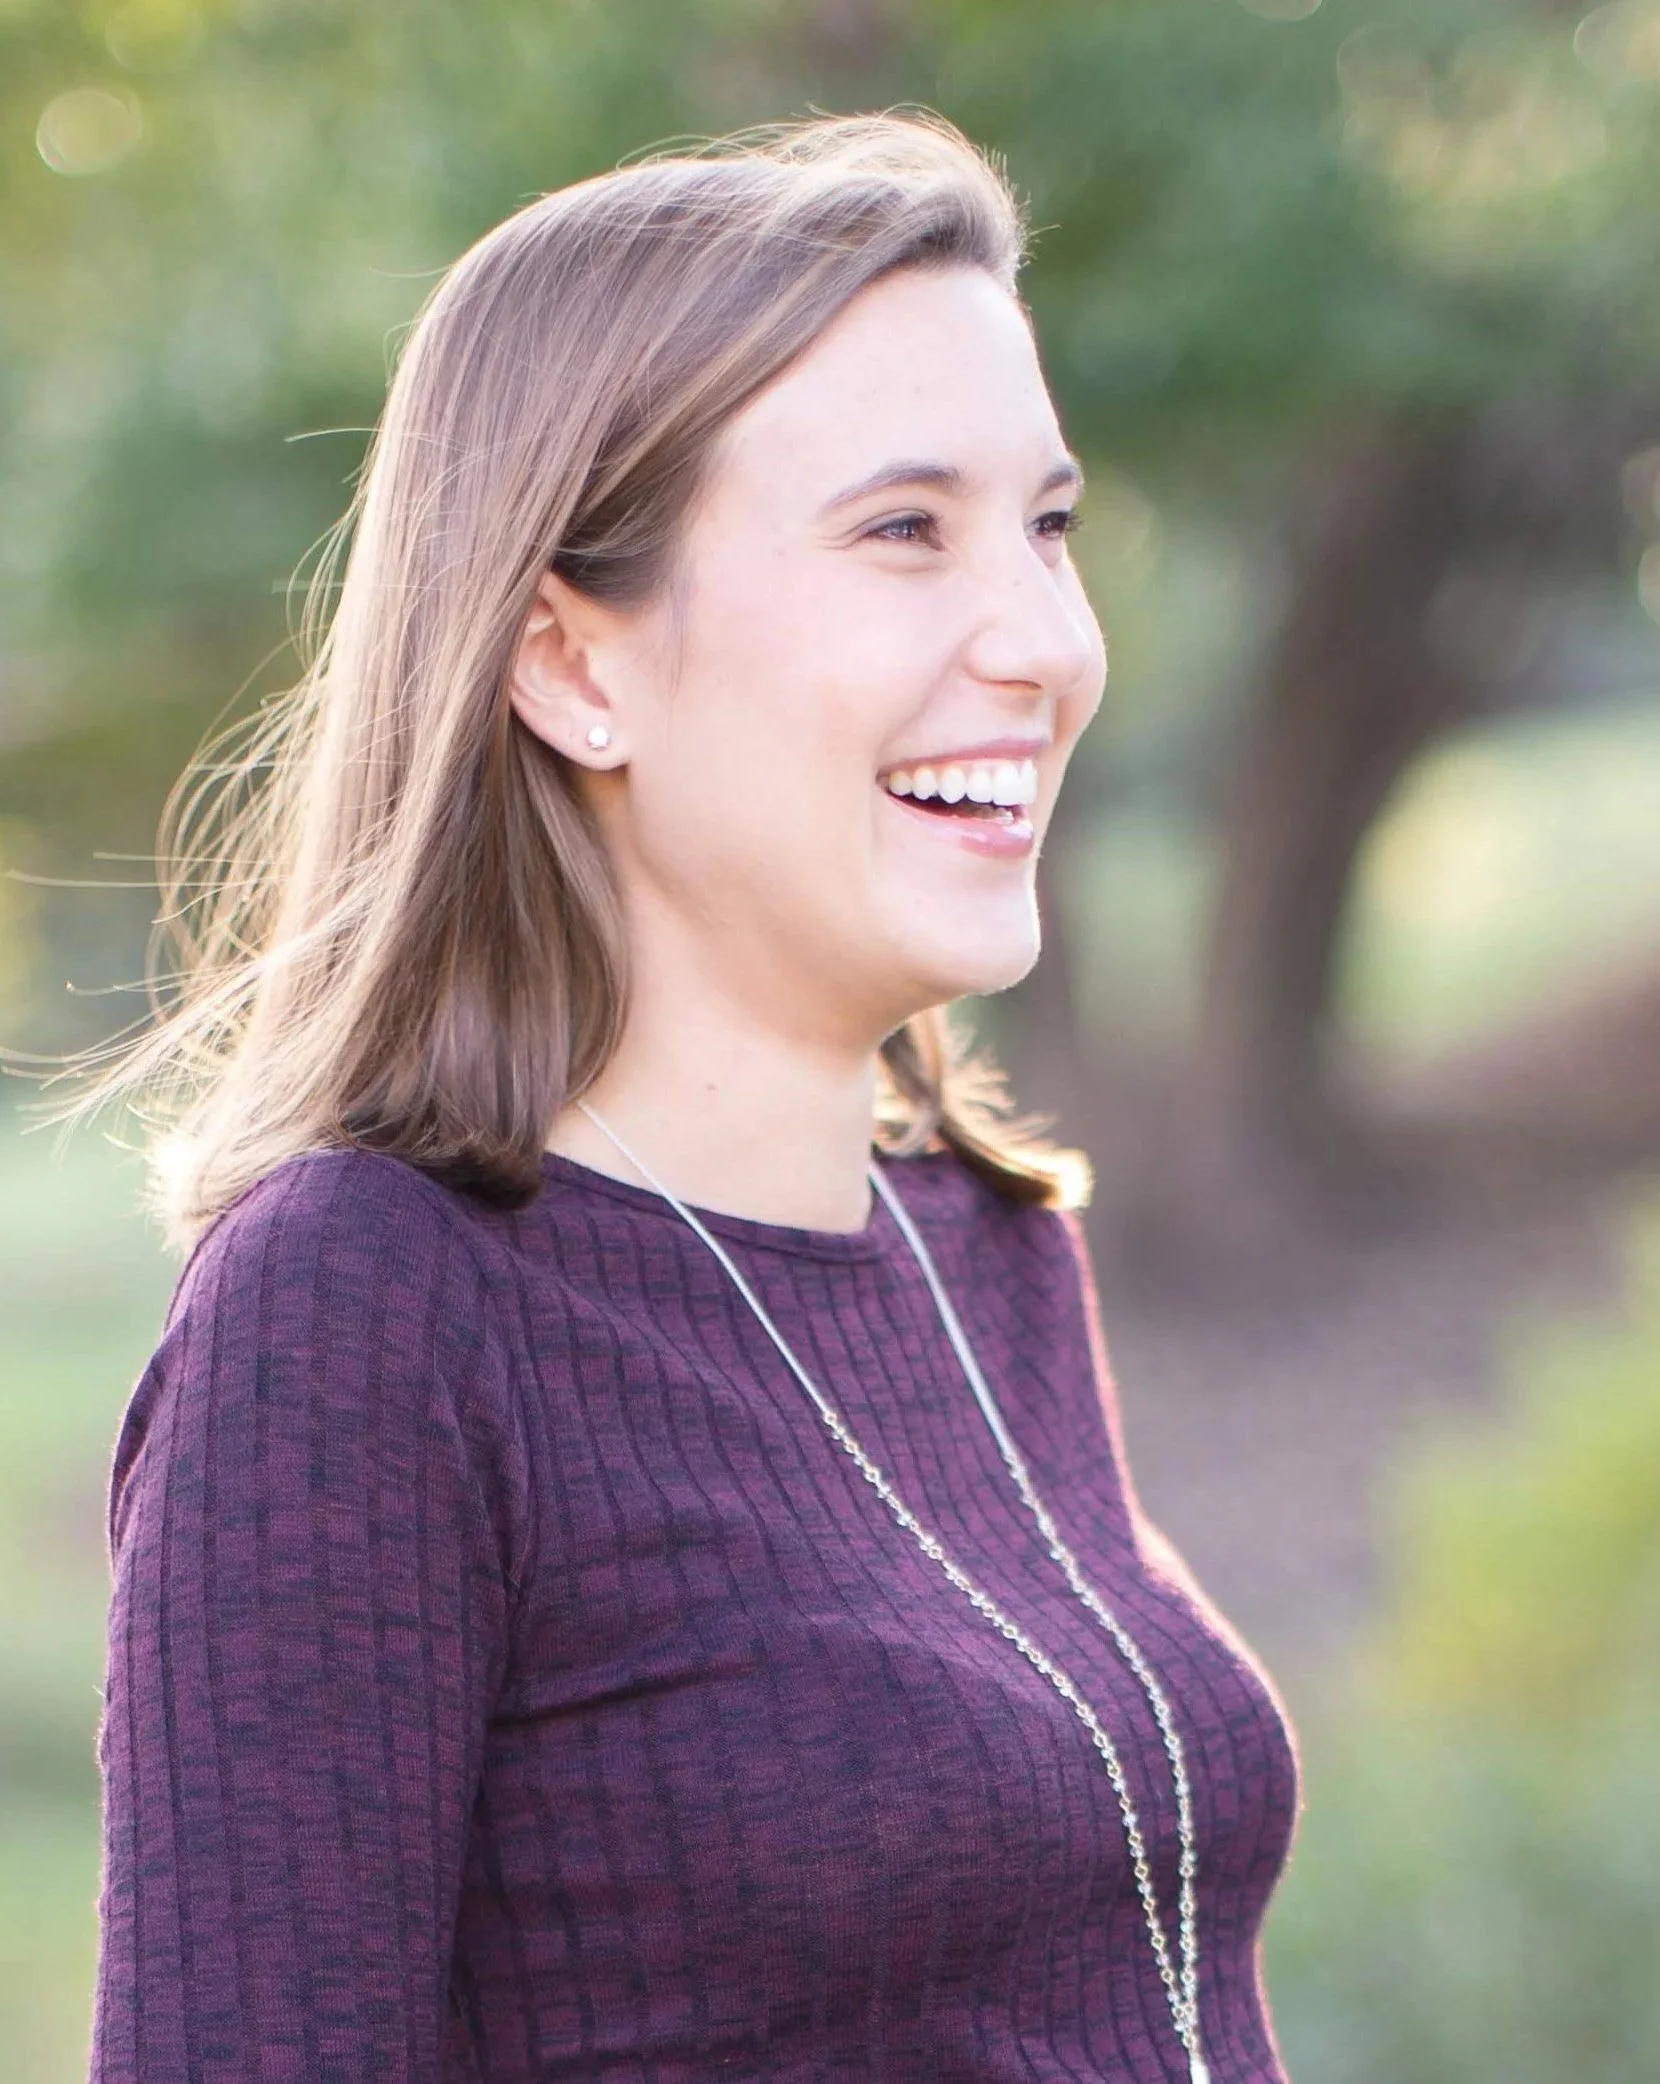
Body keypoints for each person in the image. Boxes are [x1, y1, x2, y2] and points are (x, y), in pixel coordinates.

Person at [71, 108, 1301, 2083]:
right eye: (905, 530)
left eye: (1048, 525)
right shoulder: (367, 1310)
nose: (1049, 644)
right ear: (569, 663)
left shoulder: (982, 1243)